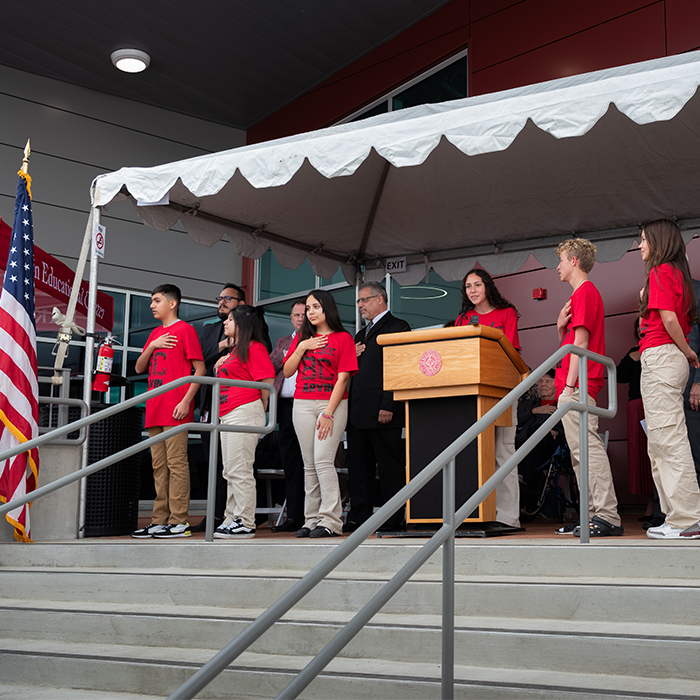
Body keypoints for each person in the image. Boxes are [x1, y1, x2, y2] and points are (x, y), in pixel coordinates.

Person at [554, 238, 623, 537]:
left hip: (579, 385)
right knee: (580, 453)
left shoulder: (585, 292)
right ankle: (592, 513)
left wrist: (569, 388)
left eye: (561, 260)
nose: (557, 266)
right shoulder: (583, 294)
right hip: (578, 384)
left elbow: (580, 345)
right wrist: (560, 328)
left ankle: (606, 514)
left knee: (587, 451)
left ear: (574, 261)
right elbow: (573, 341)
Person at [638, 219, 700, 539]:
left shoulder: (660, 271)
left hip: (662, 356)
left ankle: (687, 519)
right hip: (667, 358)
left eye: (644, 239)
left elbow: (669, 318)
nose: (640, 245)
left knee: (668, 441)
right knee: (662, 442)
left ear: (659, 242)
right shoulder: (679, 276)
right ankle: (677, 517)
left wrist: (688, 351)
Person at [131, 284, 205, 539]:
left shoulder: (186, 330)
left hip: (175, 408)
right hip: (155, 408)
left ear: (172, 303)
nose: (152, 305)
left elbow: (200, 370)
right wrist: (153, 345)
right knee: (158, 467)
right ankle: (158, 520)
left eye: (157, 300)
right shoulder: (155, 334)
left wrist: (186, 401)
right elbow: (140, 367)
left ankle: (179, 521)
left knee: (176, 465)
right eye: (152, 300)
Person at [283, 289, 358, 537]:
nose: (311, 312)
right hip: (302, 403)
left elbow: (343, 378)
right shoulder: (303, 338)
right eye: (308, 308)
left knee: (323, 461)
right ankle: (311, 519)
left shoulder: (343, 338)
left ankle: (331, 521)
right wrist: (302, 347)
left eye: (316, 307)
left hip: (332, 404)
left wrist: (327, 412)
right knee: (308, 465)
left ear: (327, 308)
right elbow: (287, 372)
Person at [454, 268, 521, 528]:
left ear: (487, 287)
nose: (472, 290)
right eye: (468, 286)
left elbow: (512, 351)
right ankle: (477, 514)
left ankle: (507, 517)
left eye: (477, 285)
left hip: (502, 388)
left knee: (502, 451)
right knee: (474, 454)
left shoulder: (507, 314)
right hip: (472, 392)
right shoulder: (463, 319)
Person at [344, 282, 411, 533]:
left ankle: (392, 518)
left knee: (389, 468)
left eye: (364, 300)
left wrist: (389, 404)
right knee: (358, 468)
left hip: (384, 411)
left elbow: (399, 369)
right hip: (358, 411)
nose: (360, 305)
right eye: (359, 301)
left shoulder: (398, 327)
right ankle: (359, 516)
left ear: (380, 299)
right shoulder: (359, 335)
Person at [213, 305, 275, 538]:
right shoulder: (234, 350)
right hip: (227, 412)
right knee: (229, 470)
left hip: (244, 410)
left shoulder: (253, 347)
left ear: (242, 324)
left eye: (230, 319)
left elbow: (267, 380)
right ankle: (231, 517)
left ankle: (245, 520)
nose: (225, 323)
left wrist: (262, 406)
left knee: (239, 468)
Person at [194, 283, 246, 532]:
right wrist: (222, 346)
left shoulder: (252, 327)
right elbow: (201, 359)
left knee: (233, 463)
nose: (222, 302)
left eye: (228, 298)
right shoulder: (210, 329)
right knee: (212, 462)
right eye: (220, 298)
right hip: (209, 404)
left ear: (241, 304)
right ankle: (214, 514)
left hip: (237, 403)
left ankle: (235, 515)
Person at [268, 299, 307, 532]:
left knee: (310, 461)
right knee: (290, 461)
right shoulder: (283, 342)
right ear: (291, 318)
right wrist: (287, 356)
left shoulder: (317, 339)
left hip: (309, 402)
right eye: (296, 315)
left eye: (303, 314)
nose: (300, 318)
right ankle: (293, 516)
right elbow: (269, 365)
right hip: (285, 406)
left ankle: (310, 515)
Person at [616, 319, 655, 520]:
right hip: (636, 405)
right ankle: (650, 504)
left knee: (658, 454)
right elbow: (619, 376)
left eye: (645, 324)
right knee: (641, 456)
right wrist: (633, 358)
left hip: (656, 403)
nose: (642, 328)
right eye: (639, 326)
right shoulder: (634, 351)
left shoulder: (660, 347)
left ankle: (661, 506)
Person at [515, 370, 566, 505]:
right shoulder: (530, 405)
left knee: (538, 431)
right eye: (540, 382)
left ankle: (523, 478)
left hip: (547, 444)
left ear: (557, 384)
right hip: (521, 443)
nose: (543, 384)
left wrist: (557, 430)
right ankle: (526, 483)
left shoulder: (562, 405)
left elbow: (569, 425)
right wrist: (534, 411)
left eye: (548, 381)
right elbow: (515, 421)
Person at [683, 279, 700, 489]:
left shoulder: (696, 291)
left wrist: (698, 381)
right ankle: (663, 513)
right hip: (671, 385)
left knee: (695, 450)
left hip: (692, 387)